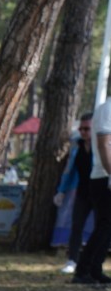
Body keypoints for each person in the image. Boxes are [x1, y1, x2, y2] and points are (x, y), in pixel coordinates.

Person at [73, 99, 111, 286]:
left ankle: (95, 269)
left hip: (105, 176)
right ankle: (83, 270)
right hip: (104, 177)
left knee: (106, 229)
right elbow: (104, 145)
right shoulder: (107, 110)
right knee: (104, 227)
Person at [56, 113, 94, 275]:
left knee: (102, 228)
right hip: (82, 193)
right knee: (76, 226)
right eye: (81, 129)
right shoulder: (76, 148)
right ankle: (72, 259)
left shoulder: (104, 146)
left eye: (87, 128)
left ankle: (93, 261)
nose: (83, 132)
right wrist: (61, 191)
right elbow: (68, 172)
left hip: (101, 193)